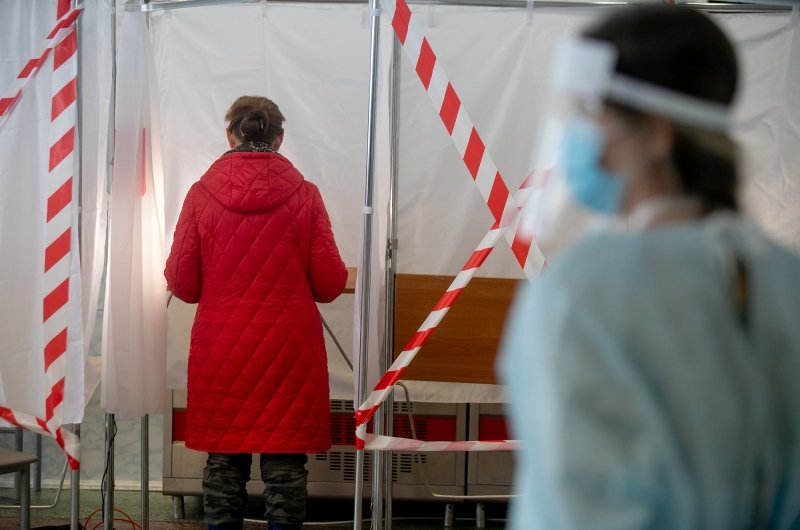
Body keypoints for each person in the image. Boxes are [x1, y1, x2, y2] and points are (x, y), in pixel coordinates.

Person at [499, 6, 800, 530]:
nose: (576, 134)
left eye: (591, 113)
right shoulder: (785, 280)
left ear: (658, 134)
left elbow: (573, 508)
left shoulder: (584, 292)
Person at [165, 96, 348, 530]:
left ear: (230, 135)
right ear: (280, 138)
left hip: (222, 348)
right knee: (285, 463)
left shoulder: (200, 195)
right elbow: (329, 284)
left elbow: (183, 284)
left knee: (224, 460)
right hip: (289, 349)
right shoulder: (305, 195)